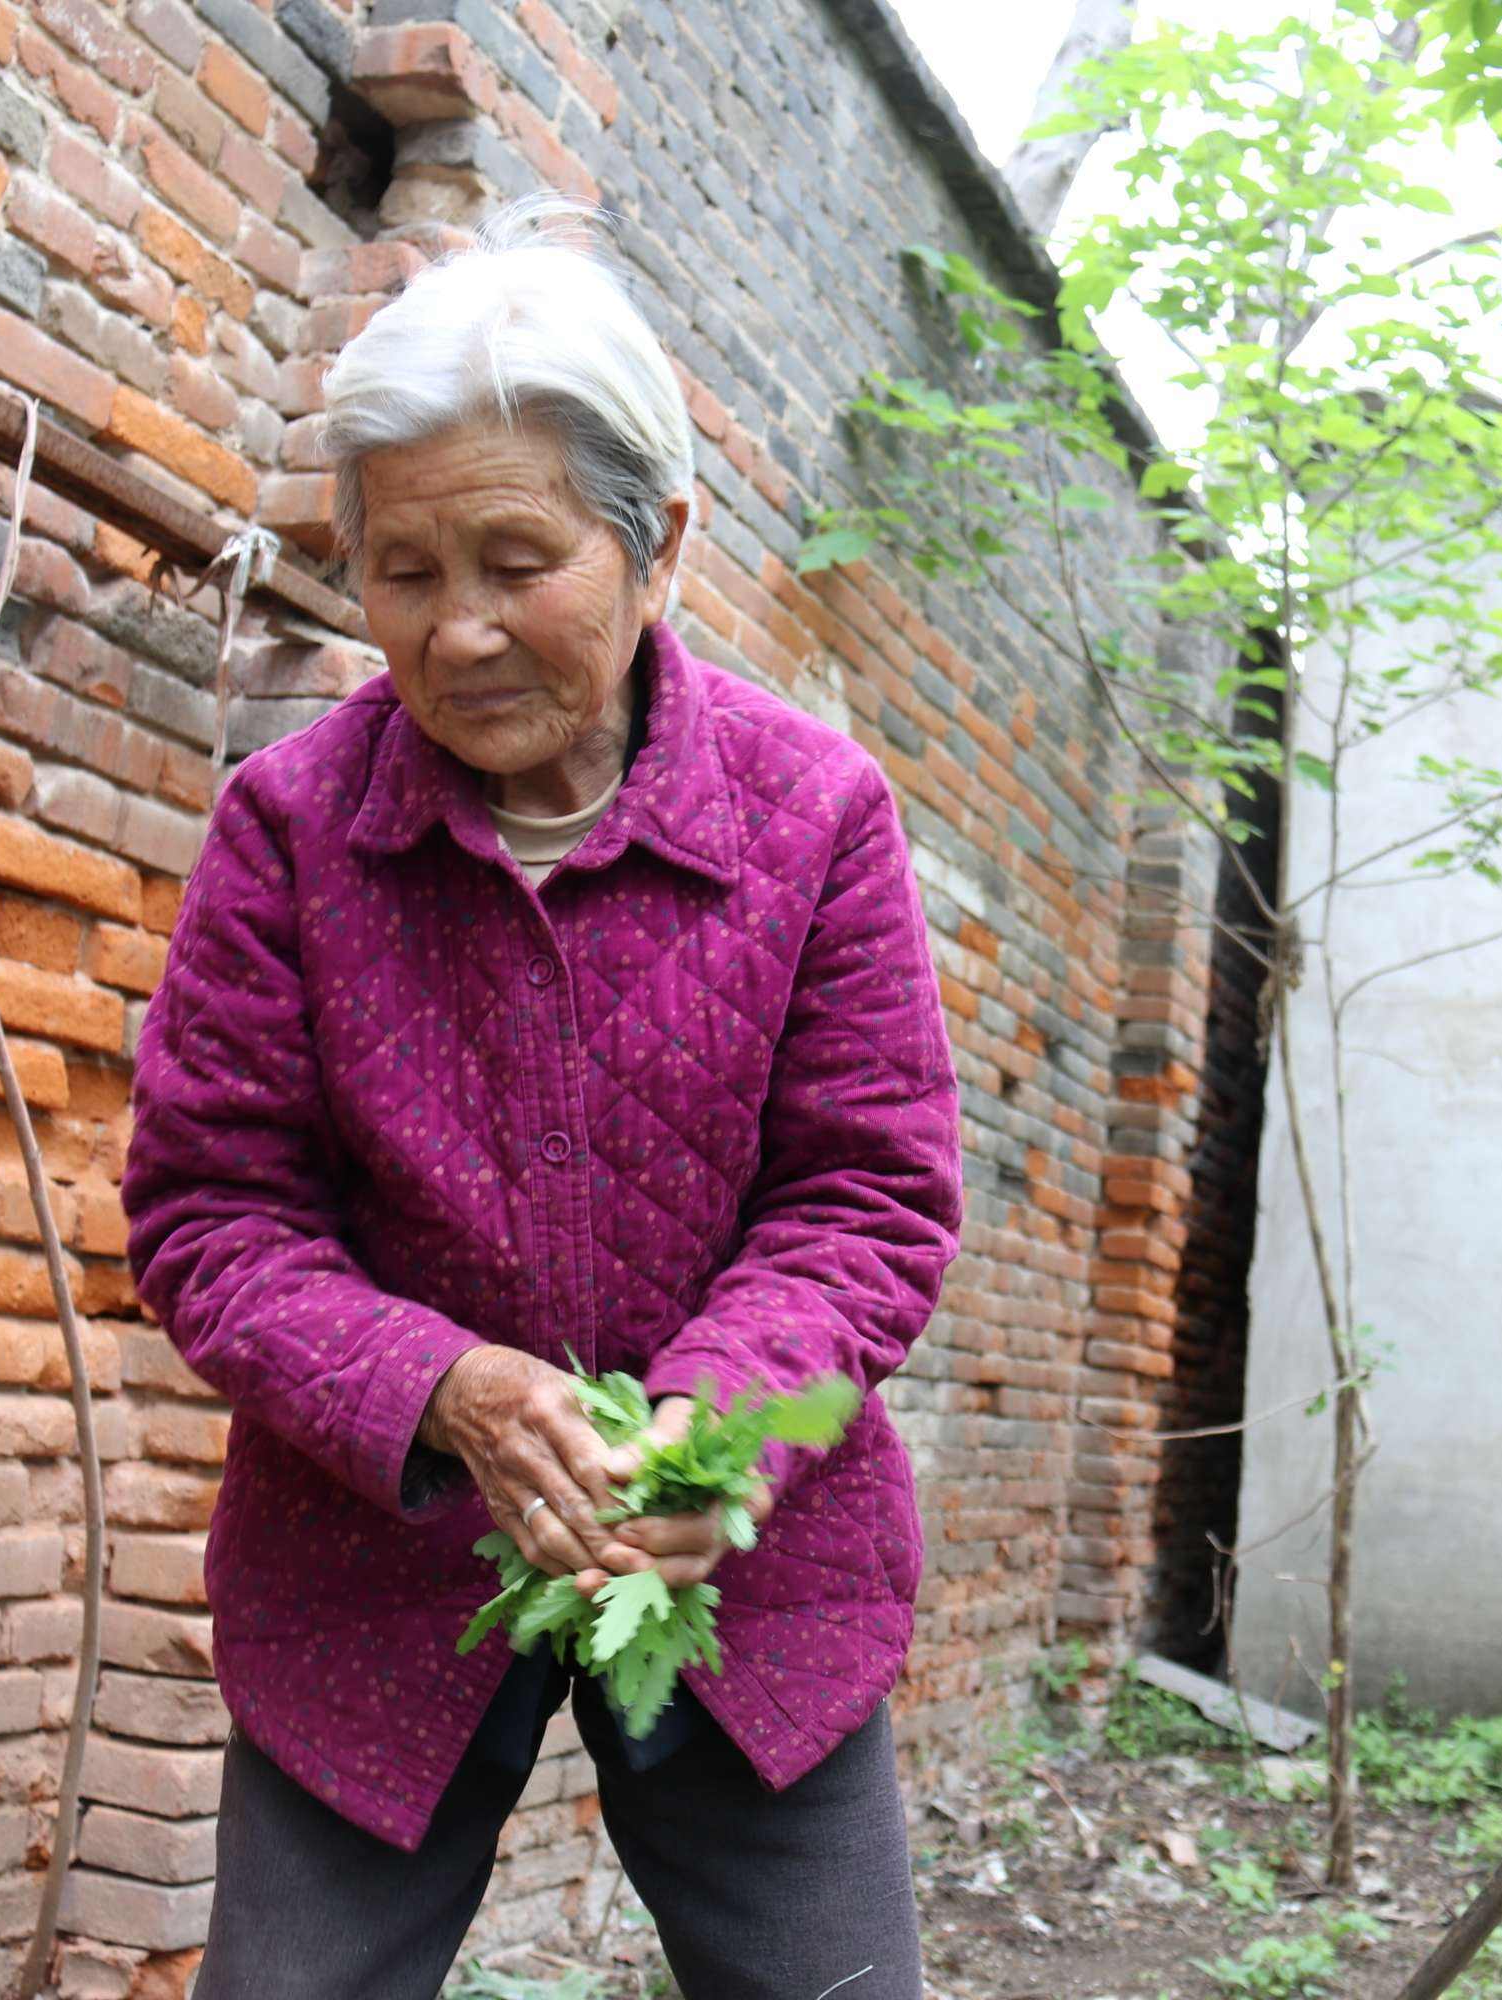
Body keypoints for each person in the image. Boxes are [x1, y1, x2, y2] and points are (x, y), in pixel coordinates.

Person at [122, 195, 963, 1998]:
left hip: (745, 1568)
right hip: (375, 1564)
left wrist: (709, 1432)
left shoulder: (814, 820)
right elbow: (211, 1220)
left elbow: (868, 1198)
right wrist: (455, 1394)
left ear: (657, 541)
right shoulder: (289, 833)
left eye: (520, 559)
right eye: (406, 574)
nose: (462, 632)